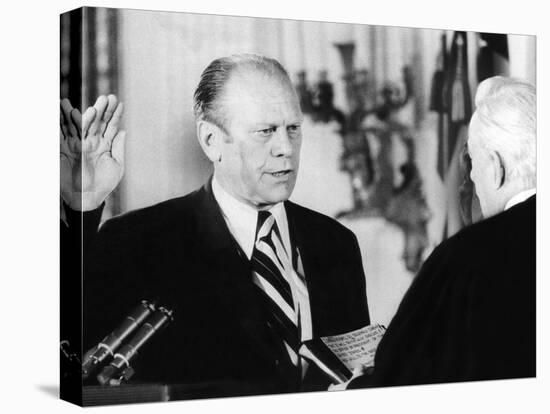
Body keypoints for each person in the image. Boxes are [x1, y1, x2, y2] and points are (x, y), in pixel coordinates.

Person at [60, 54, 370, 397]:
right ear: (210, 140)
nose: (286, 149)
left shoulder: (336, 242)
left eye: (293, 129)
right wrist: (83, 209)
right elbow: (74, 363)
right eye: (265, 131)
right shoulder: (141, 239)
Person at [348, 76, 536, 388]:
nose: (472, 177)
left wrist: (351, 390)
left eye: (473, 162)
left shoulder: (466, 257)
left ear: (496, 167)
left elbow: (401, 383)